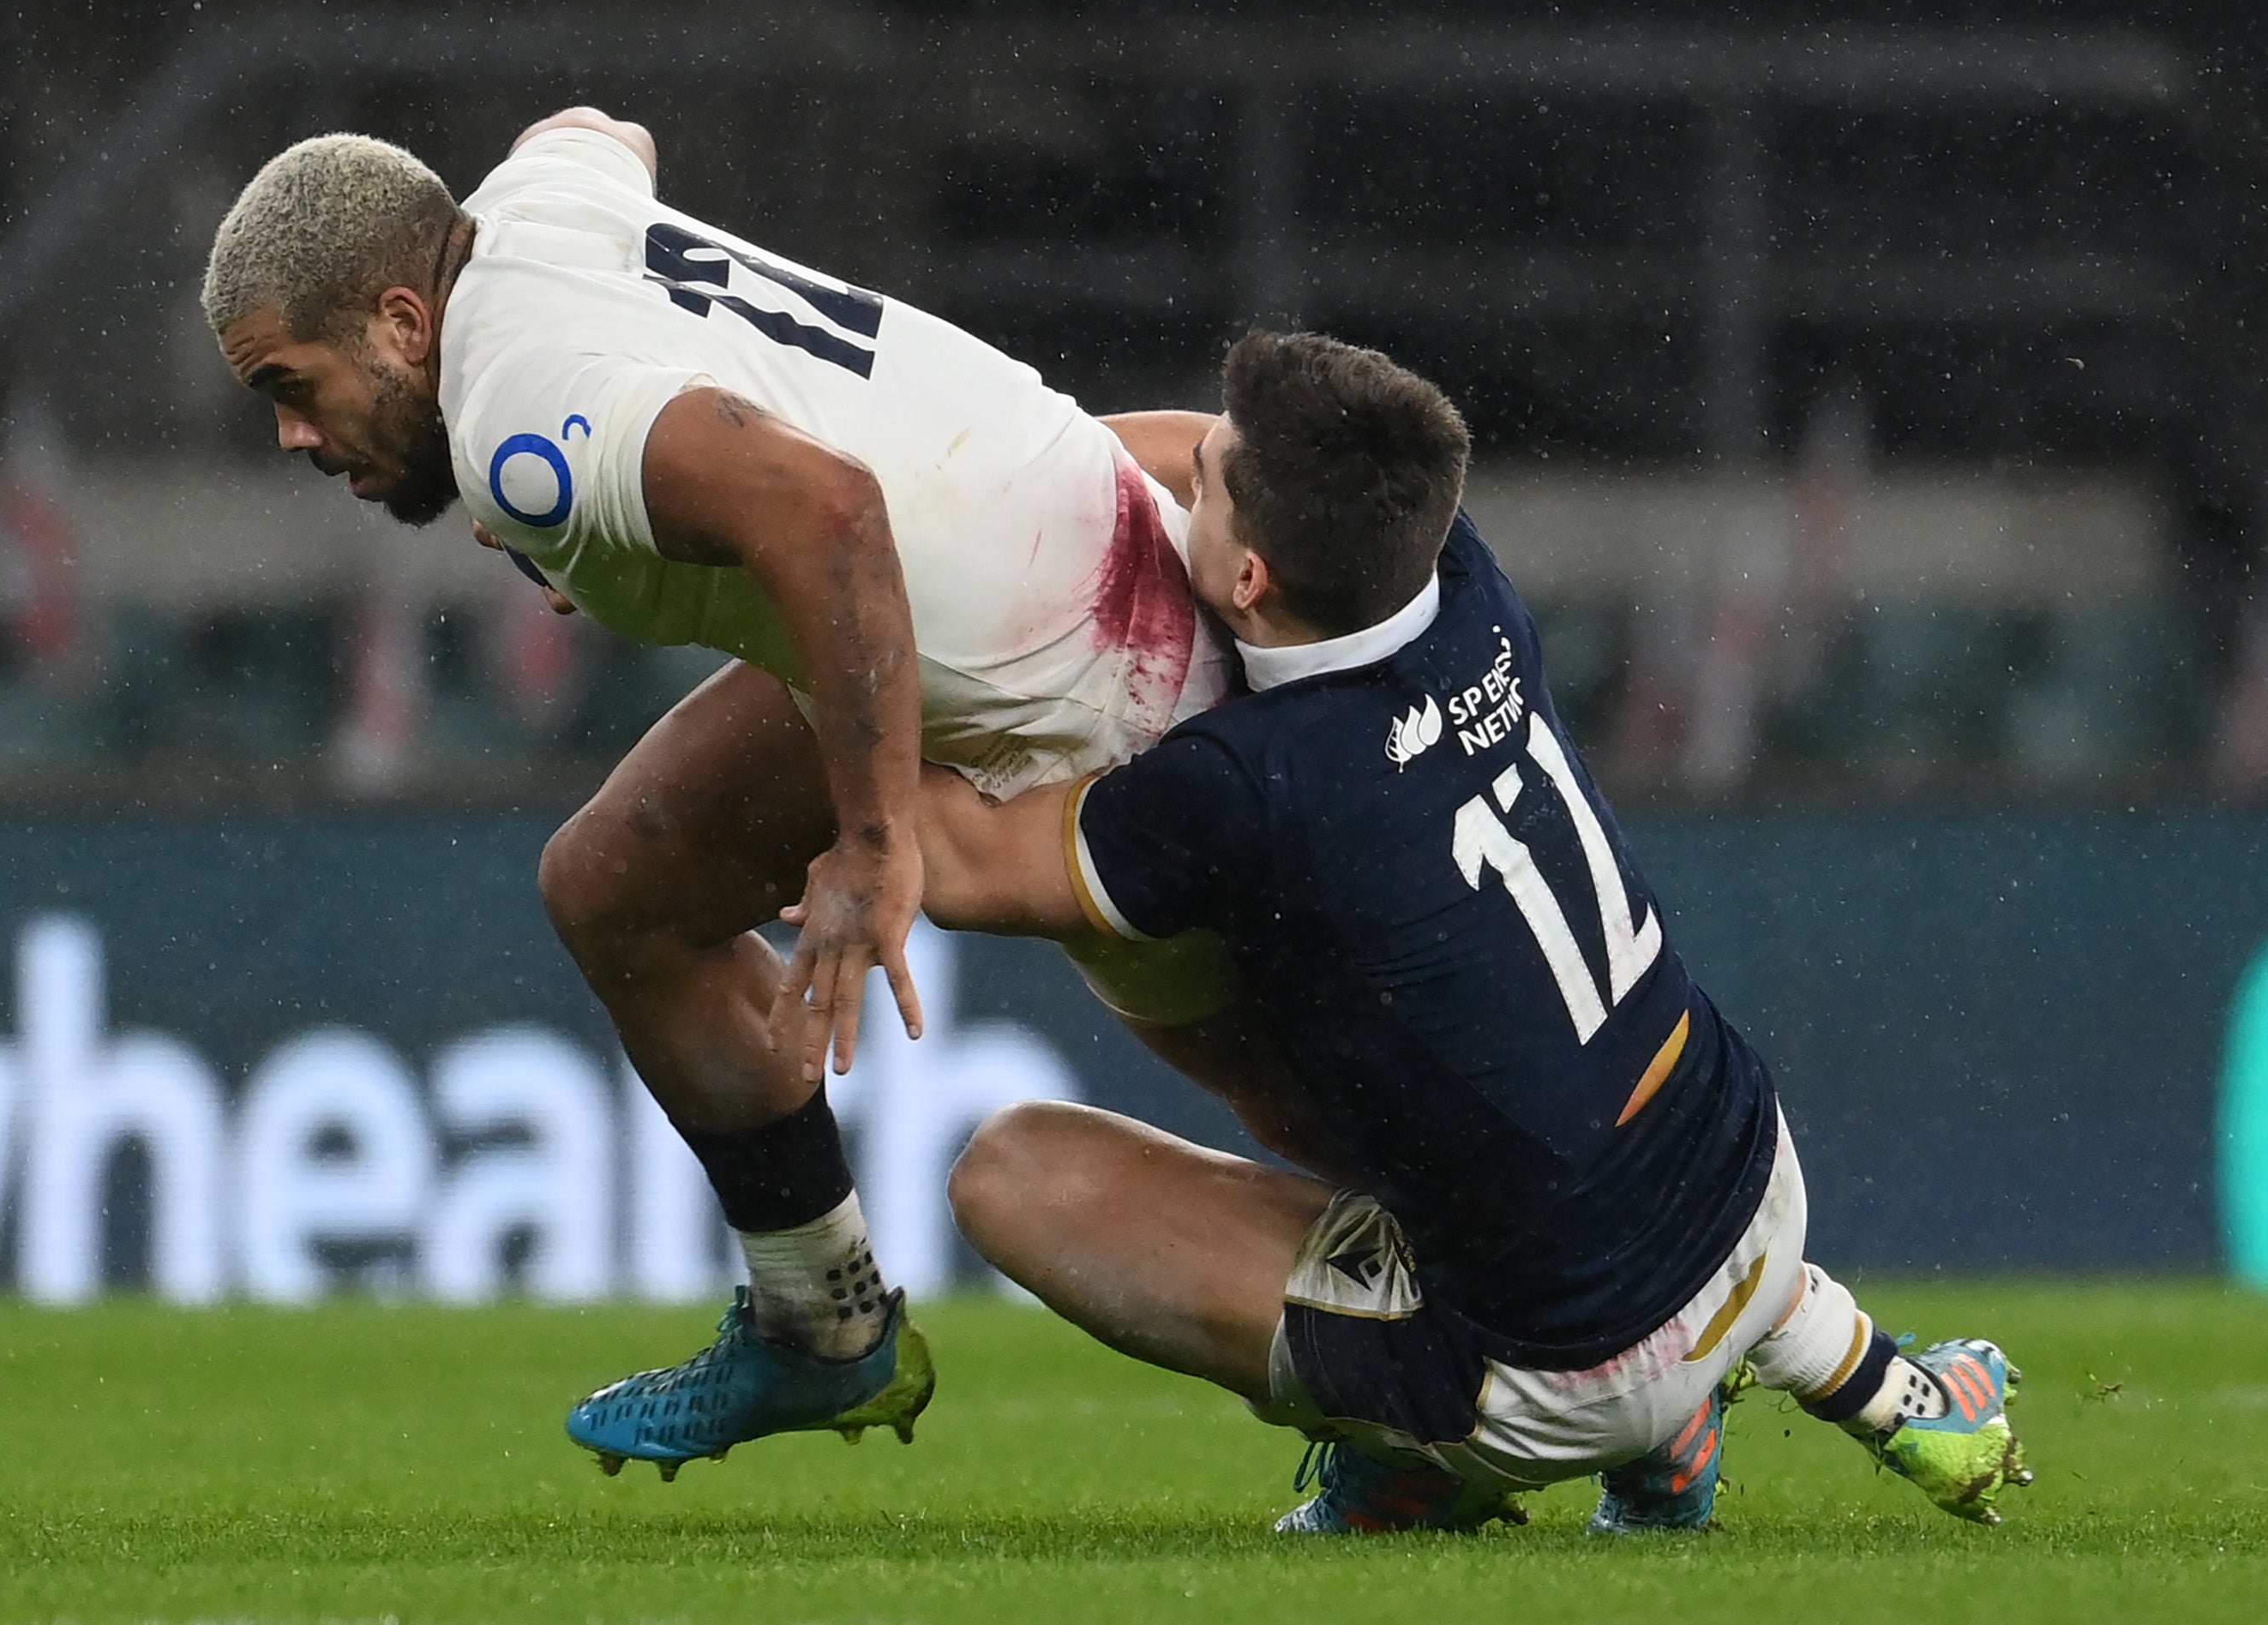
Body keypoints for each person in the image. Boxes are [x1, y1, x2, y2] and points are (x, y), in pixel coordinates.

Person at [201, 110, 1233, 1474]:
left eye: (293, 381)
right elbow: (597, 126)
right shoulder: (531, 205)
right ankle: (820, 1319)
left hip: (1100, 689)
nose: (288, 433)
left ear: (403, 322)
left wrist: (875, 845)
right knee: (617, 882)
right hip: (1043, 547)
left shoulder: (515, 404)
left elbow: (827, 514)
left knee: (1297, 1089)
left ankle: (1486, 1383)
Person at [910, 330, 2032, 1532]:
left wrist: (849, 611)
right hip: (1748, 1170)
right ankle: (1849, 1366)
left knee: (1010, 1174)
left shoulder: (1260, 784)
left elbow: (965, 864)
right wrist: (1034, 474)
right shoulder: (1459, 584)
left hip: (1567, 1366)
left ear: (1251, 580)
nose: (1191, 475)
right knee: (1409, 1071)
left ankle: (1420, 1455)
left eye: (1214, 487)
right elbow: (1202, 455)